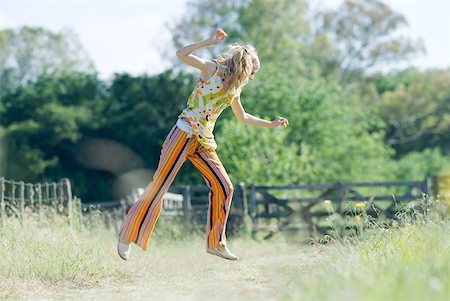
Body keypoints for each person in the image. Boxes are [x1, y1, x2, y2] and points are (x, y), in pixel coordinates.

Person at [117, 29, 289, 261]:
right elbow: (181, 54)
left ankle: (216, 243)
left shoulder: (234, 90)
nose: (252, 78)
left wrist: (270, 124)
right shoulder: (211, 69)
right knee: (160, 185)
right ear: (244, 68)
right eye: (252, 73)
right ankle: (128, 235)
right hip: (183, 132)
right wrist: (209, 41)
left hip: (204, 141)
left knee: (225, 186)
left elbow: (243, 117)